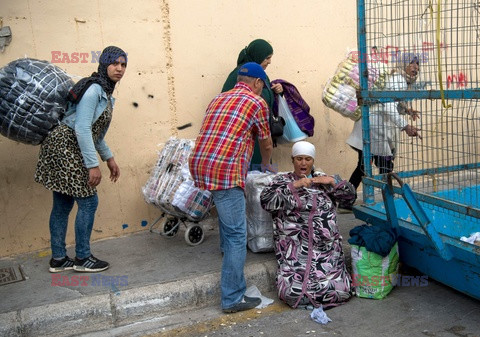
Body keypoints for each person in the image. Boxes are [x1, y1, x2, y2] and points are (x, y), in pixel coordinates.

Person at [189, 62, 273, 313]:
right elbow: (266, 142)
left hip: (202, 165)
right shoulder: (257, 103)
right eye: (262, 86)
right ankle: (233, 297)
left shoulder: (218, 98)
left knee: (229, 223)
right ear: (257, 83)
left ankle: (229, 262)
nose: (262, 91)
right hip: (225, 171)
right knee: (238, 233)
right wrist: (266, 166)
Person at [35, 46, 127, 273]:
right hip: (65, 145)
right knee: (88, 201)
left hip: (66, 144)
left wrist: (109, 158)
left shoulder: (106, 94)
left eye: (123, 64)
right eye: (114, 63)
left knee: (63, 202)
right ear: (104, 64)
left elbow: (96, 134)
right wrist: (92, 165)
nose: (119, 68)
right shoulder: (95, 89)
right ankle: (83, 258)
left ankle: (58, 259)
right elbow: (82, 128)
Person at [260, 141, 355, 309]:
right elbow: (266, 201)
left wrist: (333, 181)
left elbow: (349, 198)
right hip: (296, 251)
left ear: (313, 161)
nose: (303, 163)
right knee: (292, 293)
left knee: (341, 290)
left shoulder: (322, 179)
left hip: (326, 252)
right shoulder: (282, 180)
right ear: (293, 160)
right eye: (299, 159)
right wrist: (294, 186)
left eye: (307, 159)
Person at [341, 53, 422, 211]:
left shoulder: (398, 79)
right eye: (412, 63)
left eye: (417, 64)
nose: (416, 67)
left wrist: (407, 110)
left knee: (365, 165)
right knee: (384, 166)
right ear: (403, 65)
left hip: (370, 125)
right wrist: (405, 126)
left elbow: (392, 102)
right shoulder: (398, 80)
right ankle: (389, 203)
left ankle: (346, 201)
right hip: (374, 127)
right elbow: (389, 105)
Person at [222, 39, 283, 169]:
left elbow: (264, 96)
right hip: (244, 135)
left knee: (261, 172)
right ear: (258, 55)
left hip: (261, 134)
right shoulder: (239, 74)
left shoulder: (262, 75)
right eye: (267, 58)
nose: (269, 62)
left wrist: (275, 91)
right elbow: (228, 102)